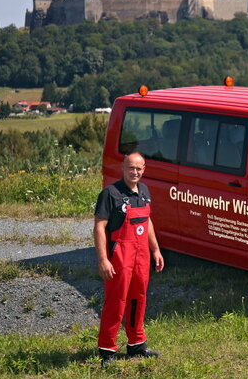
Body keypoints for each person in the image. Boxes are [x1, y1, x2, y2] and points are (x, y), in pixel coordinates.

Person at [93, 152, 165, 366]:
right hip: (120, 255)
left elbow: (147, 220)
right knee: (116, 301)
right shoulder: (110, 193)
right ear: (123, 168)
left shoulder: (144, 191)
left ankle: (136, 344)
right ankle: (107, 350)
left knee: (138, 298)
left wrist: (156, 250)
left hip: (141, 255)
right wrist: (103, 259)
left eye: (139, 168)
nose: (135, 172)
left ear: (144, 170)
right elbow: (99, 227)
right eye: (131, 168)